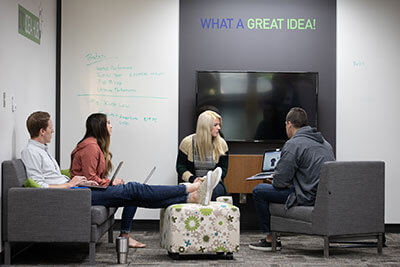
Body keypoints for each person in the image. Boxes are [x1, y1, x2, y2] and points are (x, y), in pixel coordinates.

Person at [21, 112, 222, 245]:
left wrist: (79, 180)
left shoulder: (43, 151)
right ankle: (188, 189)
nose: (52, 131)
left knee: (134, 194)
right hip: (76, 194)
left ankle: (189, 197)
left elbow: (63, 176)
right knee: (135, 189)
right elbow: (39, 185)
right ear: (42, 131)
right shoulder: (31, 152)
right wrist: (71, 183)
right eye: (50, 128)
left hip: (80, 190)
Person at [249, 107, 335, 251]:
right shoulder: (325, 143)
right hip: (324, 196)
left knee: (258, 191)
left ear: (289, 124)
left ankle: (270, 239)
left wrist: (274, 180)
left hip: (306, 196)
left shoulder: (293, 144)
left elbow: (280, 182)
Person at [69, 113, 142, 248]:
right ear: (100, 127)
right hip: (86, 193)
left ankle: (125, 235)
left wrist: (110, 182)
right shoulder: (90, 147)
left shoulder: (95, 145)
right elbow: (89, 178)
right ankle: (125, 235)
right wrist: (110, 183)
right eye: (108, 123)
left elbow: (94, 177)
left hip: (92, 189)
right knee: (133, 194)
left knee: (132, 193)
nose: (111, 126)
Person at [176, 110, 228, 201]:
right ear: (205, 127)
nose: (219, 128)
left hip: (214, 184)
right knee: (186, 191)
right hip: (193, 182)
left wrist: (209, 181)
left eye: (219, 125)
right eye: (215, 125)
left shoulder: (222, 144)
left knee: (212, 192)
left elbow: (223, 169)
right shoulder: (187, 142)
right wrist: (193, 179)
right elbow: (180, 166)